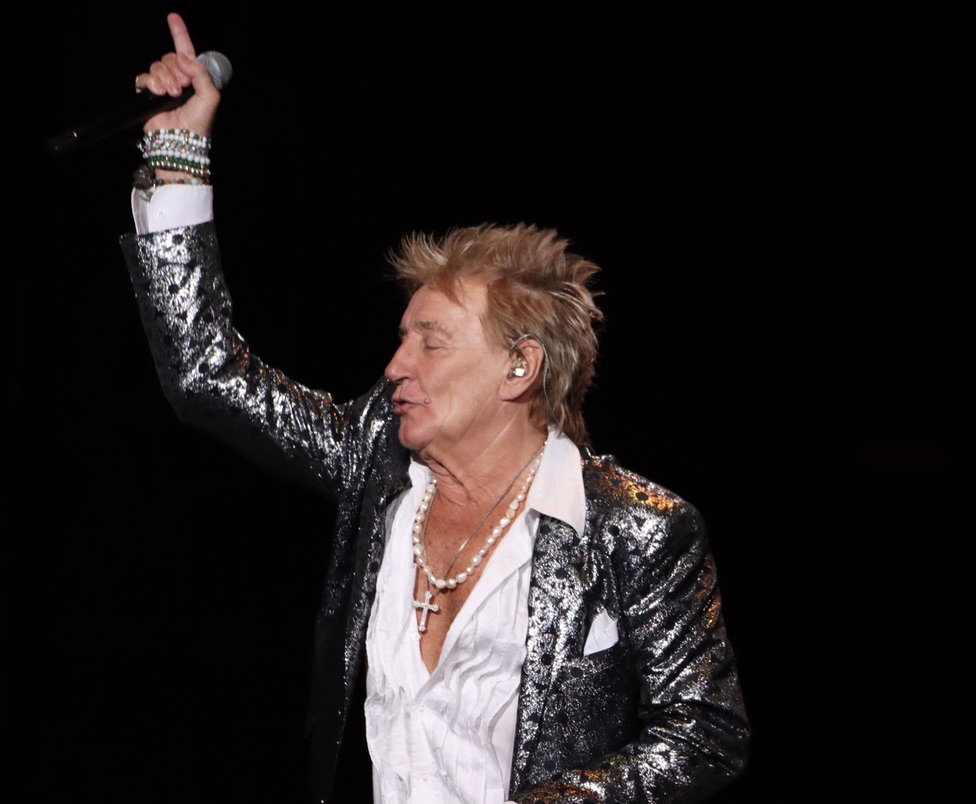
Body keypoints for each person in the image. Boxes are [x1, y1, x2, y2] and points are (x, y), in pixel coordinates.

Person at [121, 12, 750, 803]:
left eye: (432, 342)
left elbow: (704, 732)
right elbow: (206, 374)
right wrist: (178, 154)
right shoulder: (374, 460)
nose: (395, 366)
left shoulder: (635, 527)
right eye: (401, 338)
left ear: (520, 367)